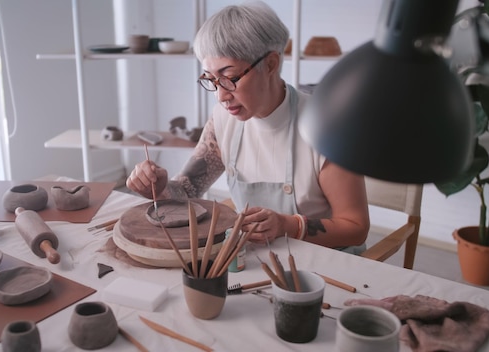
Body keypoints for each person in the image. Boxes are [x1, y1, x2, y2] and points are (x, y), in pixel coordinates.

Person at [126, 1, 370, 252]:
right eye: (211, 79)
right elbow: (187, 191)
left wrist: (289, 225)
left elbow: (356, 228)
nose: (221, 96)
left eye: (230, 78)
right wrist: (159, 186)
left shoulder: (327, 127)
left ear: (271, 64)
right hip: (257, 256)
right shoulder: (223, 119)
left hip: (326, 264)